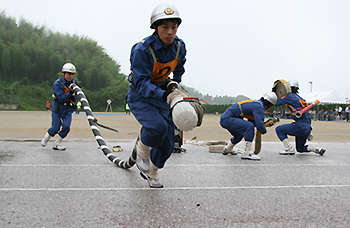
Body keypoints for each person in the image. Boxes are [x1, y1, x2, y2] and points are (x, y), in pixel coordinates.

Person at [126, 4, 187, 188]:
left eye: (174, 27)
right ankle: (142, 150)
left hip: (163, 97)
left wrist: (175, 84)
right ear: (155, 28)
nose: (170, 32)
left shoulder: (179, 47)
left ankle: (152, 172)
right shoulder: (142, 50)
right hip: (141, 97)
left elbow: (179, 68)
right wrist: (165, 95)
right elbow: (142, 83)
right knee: (157, 127)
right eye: (165, 27)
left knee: (168, 145)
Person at [220, 92, 278, 160]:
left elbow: (254, 122)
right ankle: (247, 153)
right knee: (249, 126)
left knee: (239, 135)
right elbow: (258, 126)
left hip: (225, 119)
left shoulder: (256, 103)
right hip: (228, 119)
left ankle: (228, 148)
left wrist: (264, 124)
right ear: (270, 104)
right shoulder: (259, 107)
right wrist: (264, 129)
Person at [275, 79, 326, 156]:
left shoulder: (290, 96)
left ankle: (289, 149)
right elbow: (307, 116)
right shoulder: (300, 98)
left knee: (279, 129)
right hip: (307, 127)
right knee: (300, 148)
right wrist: (308, 130)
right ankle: (316, 149)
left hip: (300, 126)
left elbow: (276, 102)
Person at [41, 63, 80, 150]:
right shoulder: (57, 84)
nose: (70, 76)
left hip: (68, 108)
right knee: (55, 127)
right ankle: (46, 137)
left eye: (72, 74)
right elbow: (61, 98)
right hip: (58, 108)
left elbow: (78, 94)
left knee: (66, 127)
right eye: (69, 74)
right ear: (64, 73)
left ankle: (57, 143)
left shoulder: (75, 83)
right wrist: (69, 93)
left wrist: (75, 99)